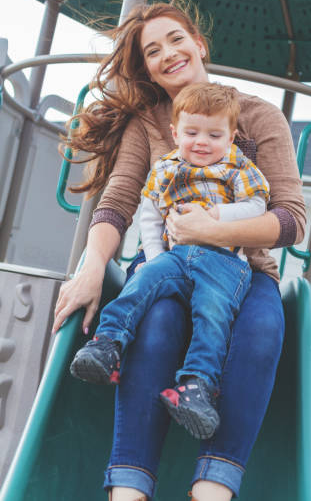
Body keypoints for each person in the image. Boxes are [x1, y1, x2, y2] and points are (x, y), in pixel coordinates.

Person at [52, 0, 306, 501]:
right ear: (146, 67)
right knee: (159, 325)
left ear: (199, 44)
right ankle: (128, 489)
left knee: (261, 328)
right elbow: (118, 203)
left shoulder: (257, 117)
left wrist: (211, 231)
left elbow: (290, 219)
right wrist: (92, 267)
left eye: (175, 39)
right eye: (152, 51)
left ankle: (212, 488)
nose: (167, 53)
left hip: (242, 265)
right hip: (164, 258)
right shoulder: (148, 123)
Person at [69, 82, 270, 441]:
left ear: (231, 137)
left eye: (214, 134)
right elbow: (149, 215)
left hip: (224, 262)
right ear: (176, 133)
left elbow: (256, 206)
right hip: (175, 255)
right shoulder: (166, 168)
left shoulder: (239, 168)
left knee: (213, 313)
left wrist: (214, 216)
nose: (202, 142)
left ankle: (196, 387)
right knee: (141, 285)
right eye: (192, 132)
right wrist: (156, 259)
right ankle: (108, 344)